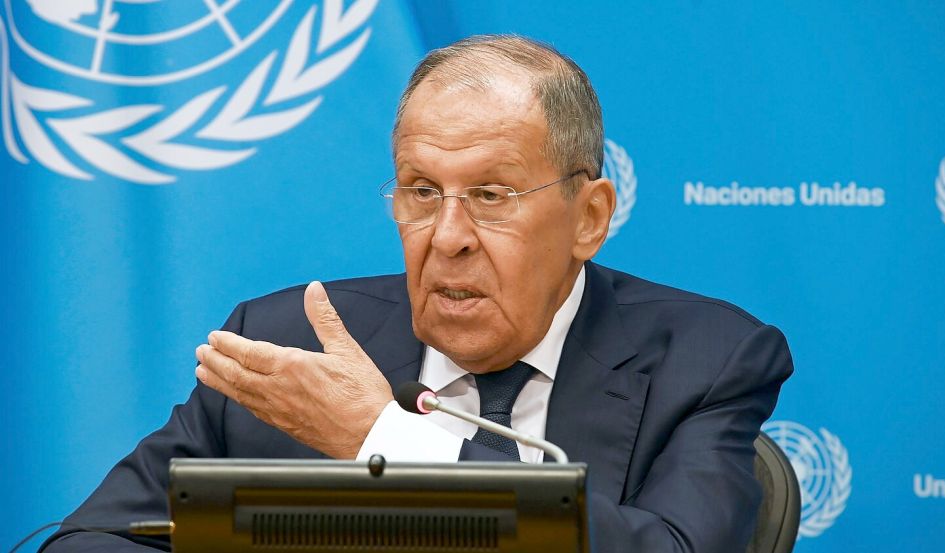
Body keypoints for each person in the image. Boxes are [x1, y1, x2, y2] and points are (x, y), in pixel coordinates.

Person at [42, 35, 793, 552]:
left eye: (491, 195)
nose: (447, 235)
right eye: (421, 192)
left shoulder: (706, 360)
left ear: (589, 217)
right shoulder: (288, 344)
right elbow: (93, 536)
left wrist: (386, 440)